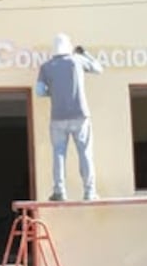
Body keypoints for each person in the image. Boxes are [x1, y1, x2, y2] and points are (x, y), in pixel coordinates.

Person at [35, 34, 104, 201]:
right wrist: (84, 53)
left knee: (58, 153)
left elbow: (39, 91)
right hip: (80, 115)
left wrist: (54, 92)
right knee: (85, 152)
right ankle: (89, 192)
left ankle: (59, 191)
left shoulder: (46, 67)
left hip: (58, 117)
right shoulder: (77, 60)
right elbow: (98, 68)